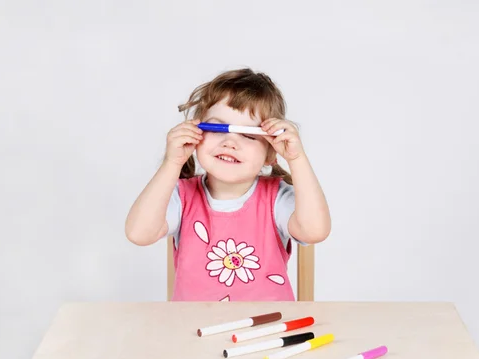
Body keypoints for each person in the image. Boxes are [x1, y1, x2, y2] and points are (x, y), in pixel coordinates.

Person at [125, 68, 330, 301]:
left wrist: (297, 159)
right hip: (194, 330)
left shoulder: (276, 198)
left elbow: (315, 231)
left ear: (270, 154)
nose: (230, 142)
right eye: (217, 129)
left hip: (267, 328)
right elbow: (138, 233)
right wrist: (172, 162)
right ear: (196, 133)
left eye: (249, 135)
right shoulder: (182, 196)